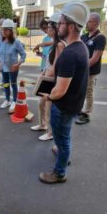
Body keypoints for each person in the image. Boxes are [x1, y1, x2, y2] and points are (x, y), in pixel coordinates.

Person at [39, 2, 90, 184]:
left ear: (70, 25)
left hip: (64, 106)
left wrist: (48, 96)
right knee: (64, 136)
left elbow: (59, 90)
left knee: (62, 136)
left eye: (59, 23)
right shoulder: (81, 47)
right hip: (73, 105)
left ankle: (59, 173)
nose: (57, 26)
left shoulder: (70, 54)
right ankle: (62, 153)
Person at [31, 12, 66, 141]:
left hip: (52, 80)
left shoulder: (59, 44)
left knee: (49, 107)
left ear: (56, 28)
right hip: (48, 77)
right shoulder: (55, 42)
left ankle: (50, 133)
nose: (47, 30)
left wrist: (45, 76)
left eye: (49, 27)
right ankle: (43, 125)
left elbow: (55, 67)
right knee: (42, 103)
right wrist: (43, 73)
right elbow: (49, 61)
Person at [76, 12, 107, 125]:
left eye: (89, 21)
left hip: (90, 70)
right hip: (81, 69)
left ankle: (87, 113)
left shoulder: (100, 38)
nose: (86, 24)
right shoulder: (84, 36)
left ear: (96, 23)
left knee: (88, 91)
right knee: (80, 91)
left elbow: (95, 58)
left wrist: (81, 68)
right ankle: (80, 109)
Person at [0, 19, 26, 113]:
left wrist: (18, 64)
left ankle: (14, 101)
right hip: (4, 68)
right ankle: (7, 100)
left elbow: (23, 55)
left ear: (10, 30)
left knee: (13, 85)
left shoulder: (16, 42)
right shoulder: (2, 41)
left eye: (6, 30)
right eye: (3, 29)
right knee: (6, 84)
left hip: (13, 68)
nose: (4, 31)